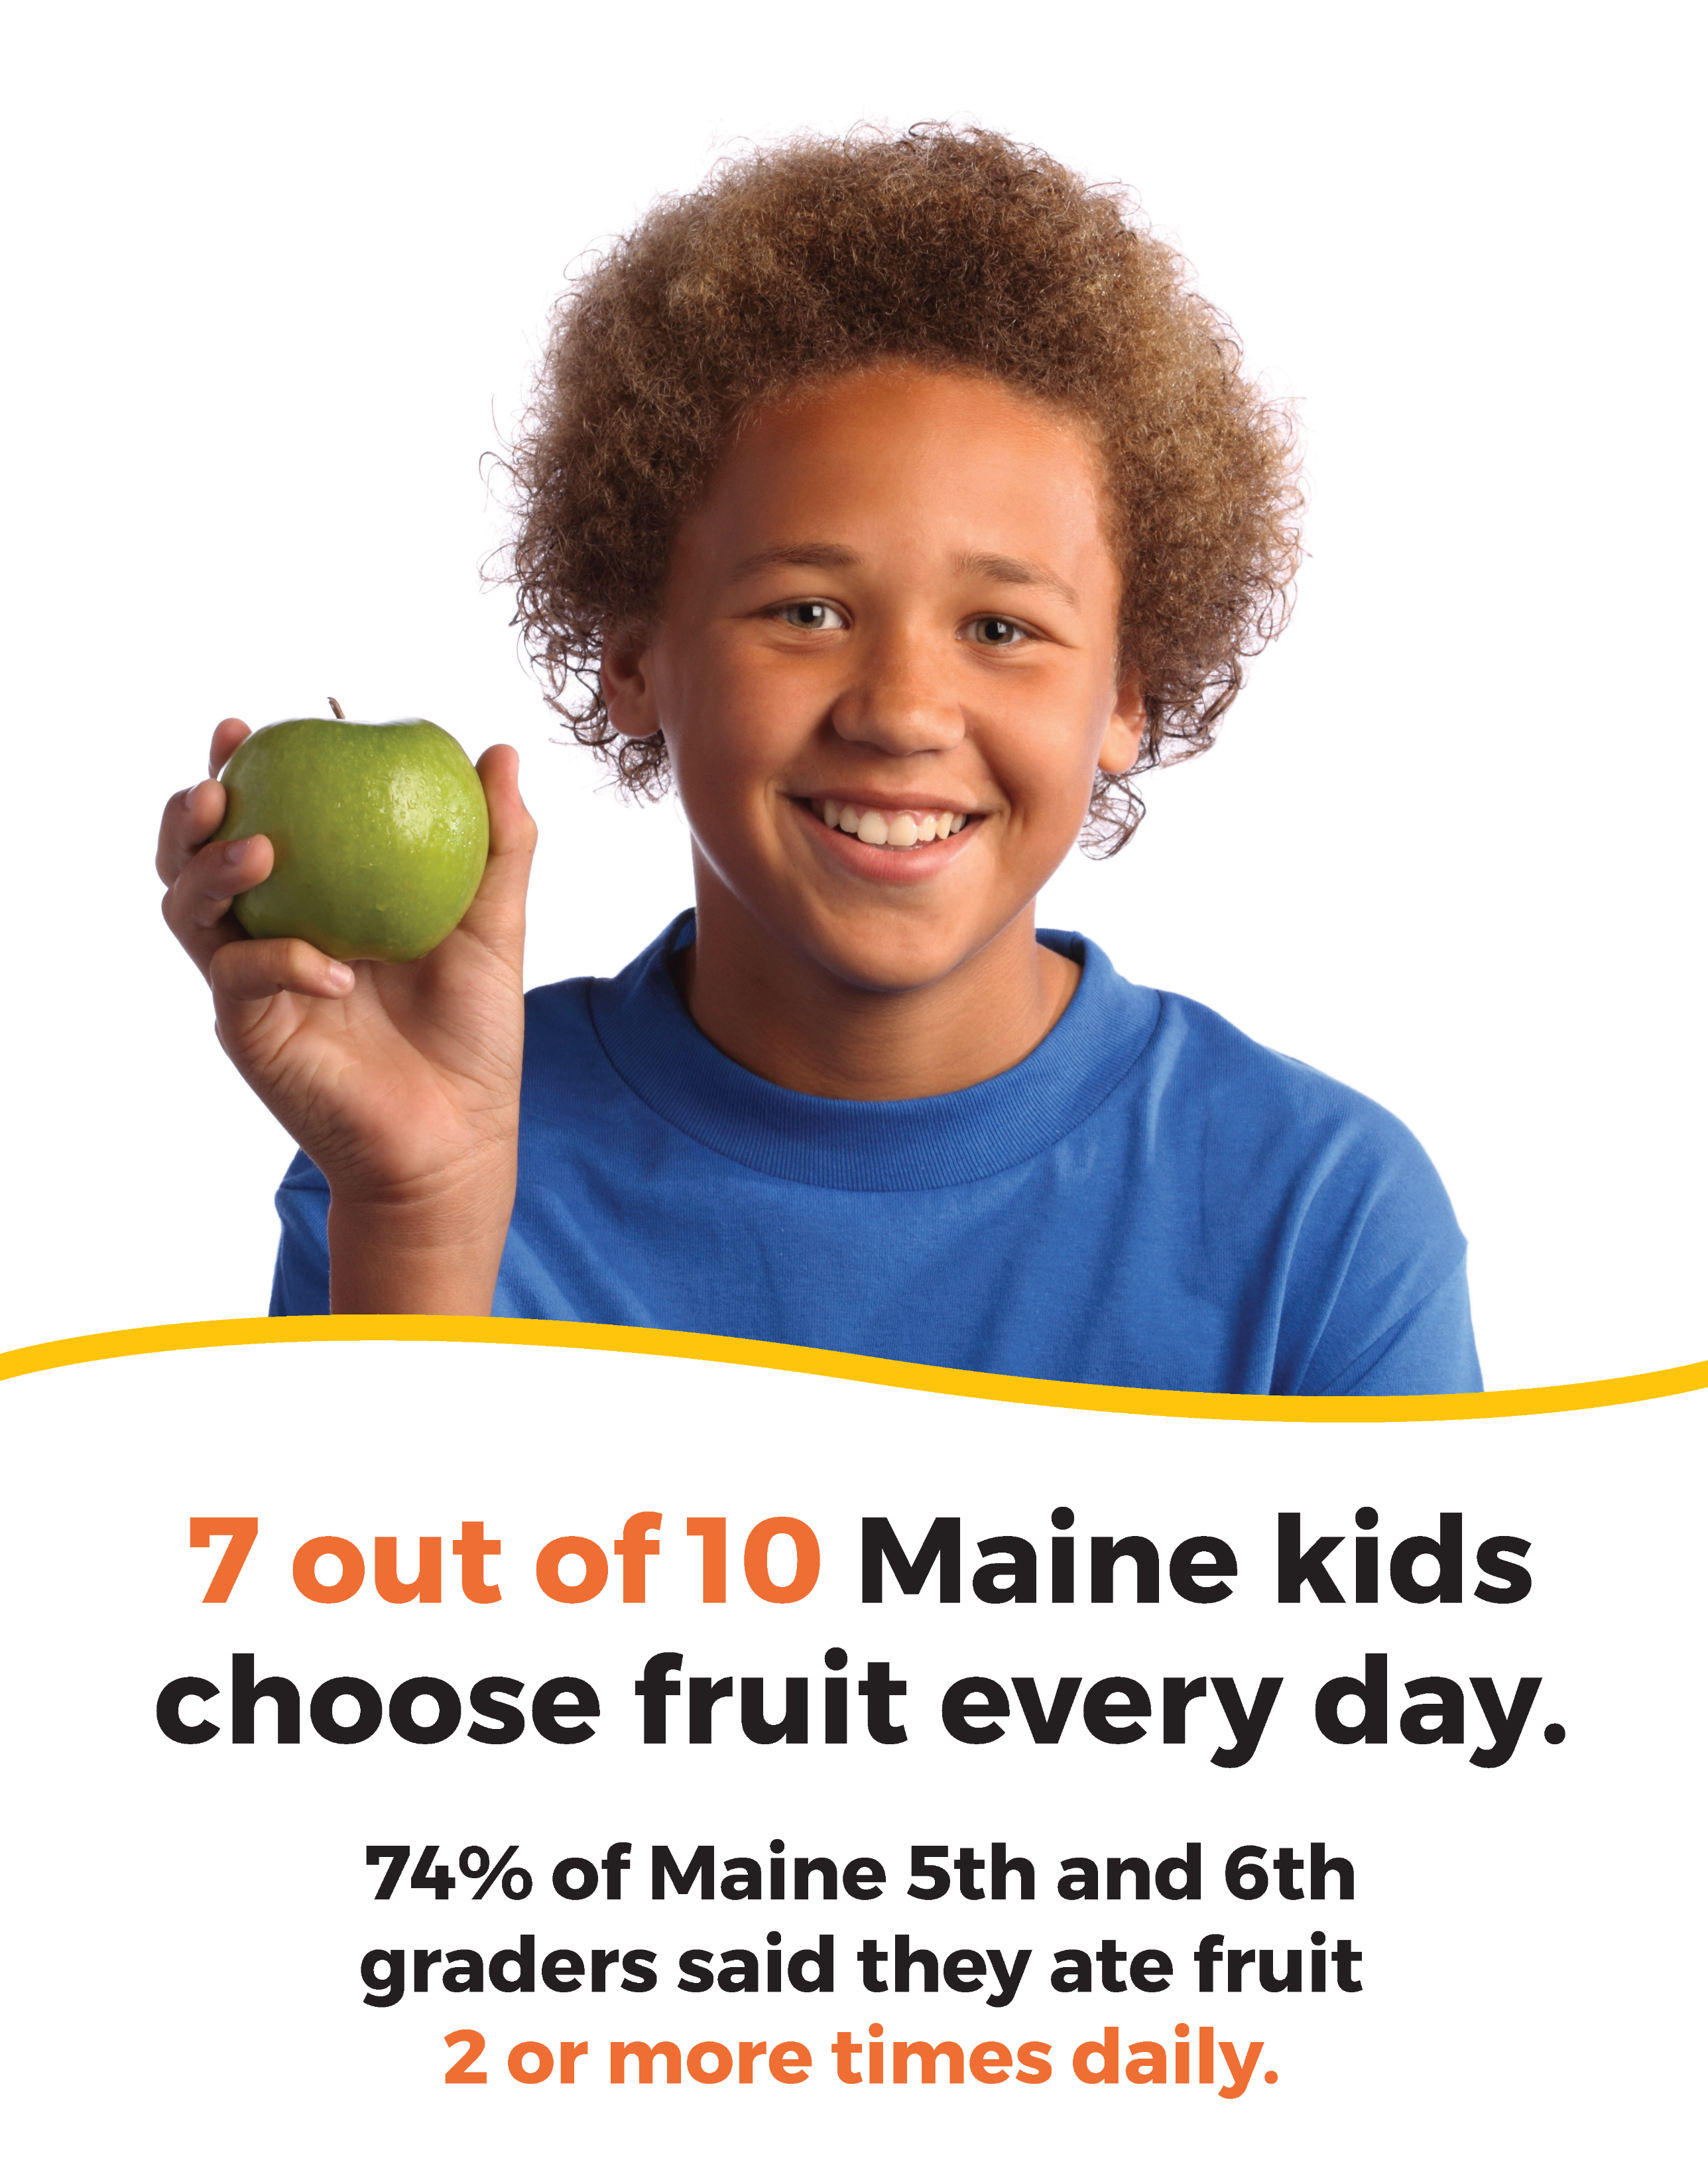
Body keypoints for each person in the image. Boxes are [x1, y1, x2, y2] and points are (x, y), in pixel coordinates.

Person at [156, 127, 1479, 1395]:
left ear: (1126, 697)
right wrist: (420, 1212)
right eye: (807, 612)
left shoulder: (1318, 1214)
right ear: (632, 656)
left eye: (1002, 628)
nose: (902, 710)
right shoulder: (415, 1150)